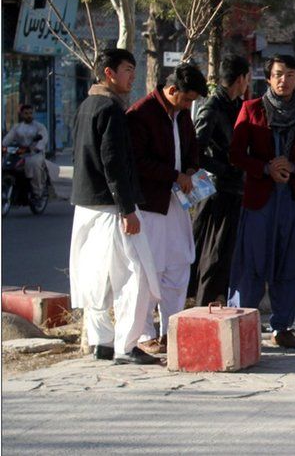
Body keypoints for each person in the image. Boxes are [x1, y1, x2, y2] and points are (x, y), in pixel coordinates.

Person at [68, 48, 161, 365]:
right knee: (135, 276)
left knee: (94, 278)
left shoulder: (86, 106)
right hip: (110, 207)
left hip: (85, 204)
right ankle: (126, 345)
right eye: (127, 69)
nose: (132, 76)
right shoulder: (110, 109)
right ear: (109, 73)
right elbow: (114, 163)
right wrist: (127, 209)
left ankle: (102, 342)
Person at [228, 54, 295, 349]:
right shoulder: (251, 109)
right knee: (252, 262)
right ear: (269, 78)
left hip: (294, 199)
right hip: (260, 198)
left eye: (291, 75)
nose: (285, 80)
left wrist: (293, 166)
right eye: (279, 74)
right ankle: (244, 325)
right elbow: (236, 153)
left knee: (290, 263)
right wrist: (265, 168)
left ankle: (282, 326)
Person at [127, 62, 206, 352]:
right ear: (172, 90)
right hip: (149, 205)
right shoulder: (140, 114)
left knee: (178, 265)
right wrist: (174, 176)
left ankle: (171, 329)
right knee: (150, 269)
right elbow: (136, 162)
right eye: (186, 99)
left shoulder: (182, 114)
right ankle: (145, 334)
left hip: (177, 202)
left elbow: (191, 148)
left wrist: (192, 172)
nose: (188, 106)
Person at [190, 55, 250, 306]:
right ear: (241, 79)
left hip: (233, 189)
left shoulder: (237, 105)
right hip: (215, 191)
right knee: (212, 253)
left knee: (227, 253)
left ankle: (219, 302)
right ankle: (204, 306)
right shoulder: (212, 108)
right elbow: (196, 152)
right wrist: (226, 169)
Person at [2, 104, 54, 201]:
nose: (28, 115)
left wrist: (37, 148)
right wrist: (3, 146)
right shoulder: (17, 127)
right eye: (26, 113)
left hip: (35, 154)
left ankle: (37, 192)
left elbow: (44, 138)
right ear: (21, 114)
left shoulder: (39, 126)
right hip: (20, 153)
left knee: (33, 164)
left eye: (30, 113)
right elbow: (8, 139)